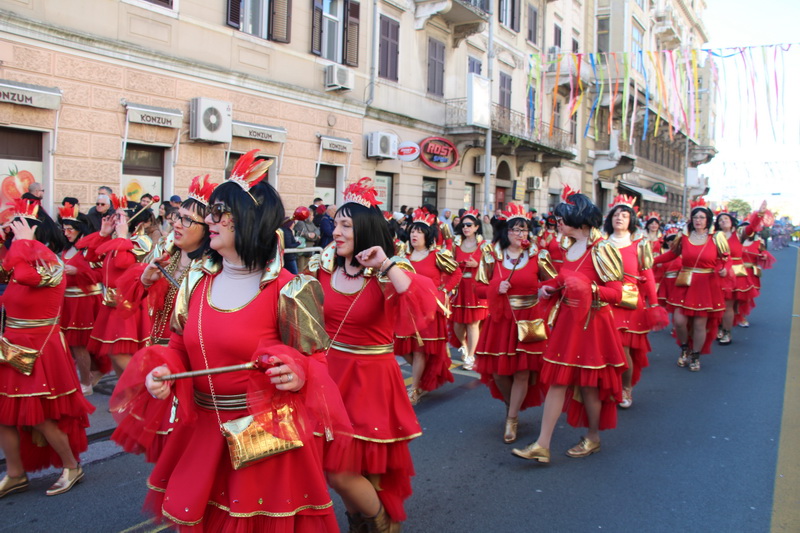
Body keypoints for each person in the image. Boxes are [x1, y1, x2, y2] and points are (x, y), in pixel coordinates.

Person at [110, 150, 349, 531]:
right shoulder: (195, 280)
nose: (208, 219)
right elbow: (178, 346)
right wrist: (164, 372)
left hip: (263, 440)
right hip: (203, 434)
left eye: (219, 212)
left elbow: (317, 363)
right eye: (210, 212)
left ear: (249, 219)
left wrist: (297, 373)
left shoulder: (290, 289)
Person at [309, 178, 437, 531]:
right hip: (330, 377)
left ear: (364, 229)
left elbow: (422, 303)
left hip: (371, 380)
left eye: (346, 226)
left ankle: (382, 523)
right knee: (335, 466)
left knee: (346, 471)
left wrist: (385, 264)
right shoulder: (324, 265)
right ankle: (360, 522)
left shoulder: (388, 271)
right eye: (336, 223)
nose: (336, 232)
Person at [512, 188, 626, 463]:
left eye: (562, 219)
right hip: (567, 323)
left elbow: (617, 293)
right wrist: (550, 287)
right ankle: (542, 444)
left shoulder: (603, 248)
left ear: (579, 220)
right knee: (558, 381)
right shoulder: (568, 246)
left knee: (588, 386)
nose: (558, 223)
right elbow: (565, 280)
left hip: (593, 325)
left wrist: (589, 288)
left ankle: (593, 437)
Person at [0, 199, 95, 498]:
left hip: (40, 348)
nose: (11, 235)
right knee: (4, 416)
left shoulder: (51, 263)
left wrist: (23, 243)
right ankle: (15, 473)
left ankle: (71, 466)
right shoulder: (19, 260)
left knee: (39, 416)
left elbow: (26, 277)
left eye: (16, 229)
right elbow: (7, 270)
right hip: (12, 346)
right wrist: (10, 244)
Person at [474, 204, 555, 443]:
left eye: (524, 230)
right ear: (505, 231)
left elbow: (553, 282)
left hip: (529, 319)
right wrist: (495, 288)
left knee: (522, 372)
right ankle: (512, 406)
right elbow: (478, 288)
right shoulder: (492, 255)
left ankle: (511, 419)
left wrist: (544, 289)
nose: (521, 234)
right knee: (499, 373)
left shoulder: (538, 255)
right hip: (501, 320)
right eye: (516, 230)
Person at [603, 196, 666, 409]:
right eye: (616, 214)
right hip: (605, 301)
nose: (619, 218)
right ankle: (607, 386)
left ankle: (625, 387)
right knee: (605, 349)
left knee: (624, 349)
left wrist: (654, 304)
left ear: (631, 220)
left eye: (624, 215)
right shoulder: (600, 244)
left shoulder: (640, 245)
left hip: (630, 304)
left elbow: (648, 275)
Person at [652, 198, 729, 372]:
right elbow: (672, 254)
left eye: (702, 217)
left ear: (708, 220)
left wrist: (724, 269)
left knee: (699, 324)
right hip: (685, 283)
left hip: (706, 284)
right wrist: (650, 261)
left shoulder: (717, 237)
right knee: (679, 321)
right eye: (695, 217)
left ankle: (695, 355)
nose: (698, 220)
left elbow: (725, 259)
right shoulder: (684, 237)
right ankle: (685, 348)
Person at [396, 209, 461, 405]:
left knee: (419, 350)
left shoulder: (437, 255)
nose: (414, 235)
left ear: (428, 236)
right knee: (402, 348)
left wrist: (444, 291)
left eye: (419, 232)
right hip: (407, 309)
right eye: (412, 231)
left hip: (429, 310)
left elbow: (456, 274)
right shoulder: (403, 255)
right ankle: (423, 377)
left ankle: (414, 389)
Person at [83, 195, 153, 375]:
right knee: (114, 353)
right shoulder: (116, 241)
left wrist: (122, 236)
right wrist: (103, 234)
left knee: (118, 353)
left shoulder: (140, 241)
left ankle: (145, 383)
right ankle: (126, 391)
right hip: (111, 303)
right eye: (116, 216)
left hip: (127, 304)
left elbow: (122, 263)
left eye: (121, 217)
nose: (116, 221)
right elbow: (90, 257)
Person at [58, 203, 105, 396]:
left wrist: (78, 271)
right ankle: (93, 372)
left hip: (85, 300)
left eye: (70, 229)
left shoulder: (89, 249)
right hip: (68, 300)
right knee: (73, 344)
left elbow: (102, 273)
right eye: (64, 229)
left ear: (80, 229)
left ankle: (86, 382)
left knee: (80, 344)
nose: (66, 233)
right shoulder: (67, 248)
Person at [450, 209, 493, 370]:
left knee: (473, 324)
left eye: (469, 225)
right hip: (460, 287)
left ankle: (470, 356)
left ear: (476, 227)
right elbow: (449, 264)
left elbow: (492, 267)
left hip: (476, 287)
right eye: (463, 225)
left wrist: (478, 264)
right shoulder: (456, 244)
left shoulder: (484, 245)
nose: (465, 228)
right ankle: (464, 345)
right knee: (457, 324)